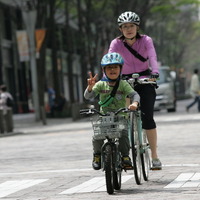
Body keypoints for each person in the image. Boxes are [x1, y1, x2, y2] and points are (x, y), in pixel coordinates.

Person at [108, 11, 162, 170]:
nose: (129, 29)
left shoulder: (146, 40)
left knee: (148, 118)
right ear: (120, 29)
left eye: (131, 26)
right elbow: (110, 60)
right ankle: (125, 154)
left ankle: (154, 156)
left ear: (137, 27)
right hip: (124, 81)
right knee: (123, 118)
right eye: (125, 27)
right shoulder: (116, 44)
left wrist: (155, 72)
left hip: (145, 79)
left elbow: (152, 57)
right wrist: (109, 76)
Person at [84, 52, 140, 170]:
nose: (112, 70)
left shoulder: (123, 84)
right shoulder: (100, 84)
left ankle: (125, 157)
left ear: (120, 69)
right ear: (104, 70)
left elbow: (134, 95)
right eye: (109, 67)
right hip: (104, 117)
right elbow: (88, 96)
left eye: (115, 67)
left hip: (120, 117)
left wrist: (134, 103)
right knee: (97, 136)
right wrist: (89, 88)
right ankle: (97, 155)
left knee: (123, 135)